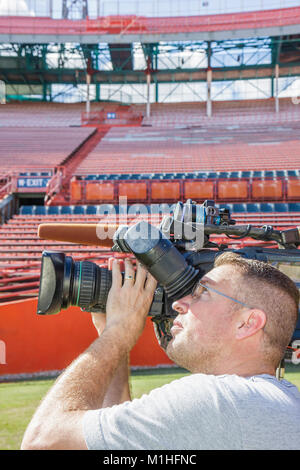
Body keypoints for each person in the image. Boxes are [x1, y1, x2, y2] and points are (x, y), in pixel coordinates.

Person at [21, 252, 300, 450]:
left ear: (248, 323)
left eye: (202, 292)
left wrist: (118, 334)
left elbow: (43, 442)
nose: (179, 303)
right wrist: (112, 338)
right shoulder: (277, 401)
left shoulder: (219, 401)